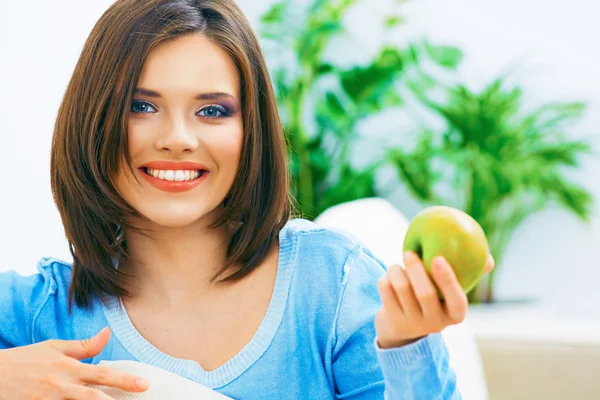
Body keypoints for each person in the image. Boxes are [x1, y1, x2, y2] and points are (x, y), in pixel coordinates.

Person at [0, 0, 495, 398]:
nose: (177, 138)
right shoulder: (37, 311)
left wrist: (406, 343)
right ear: (94, 118)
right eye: (141, 106)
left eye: (212, 110)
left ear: (251, 129)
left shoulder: (331, 283)